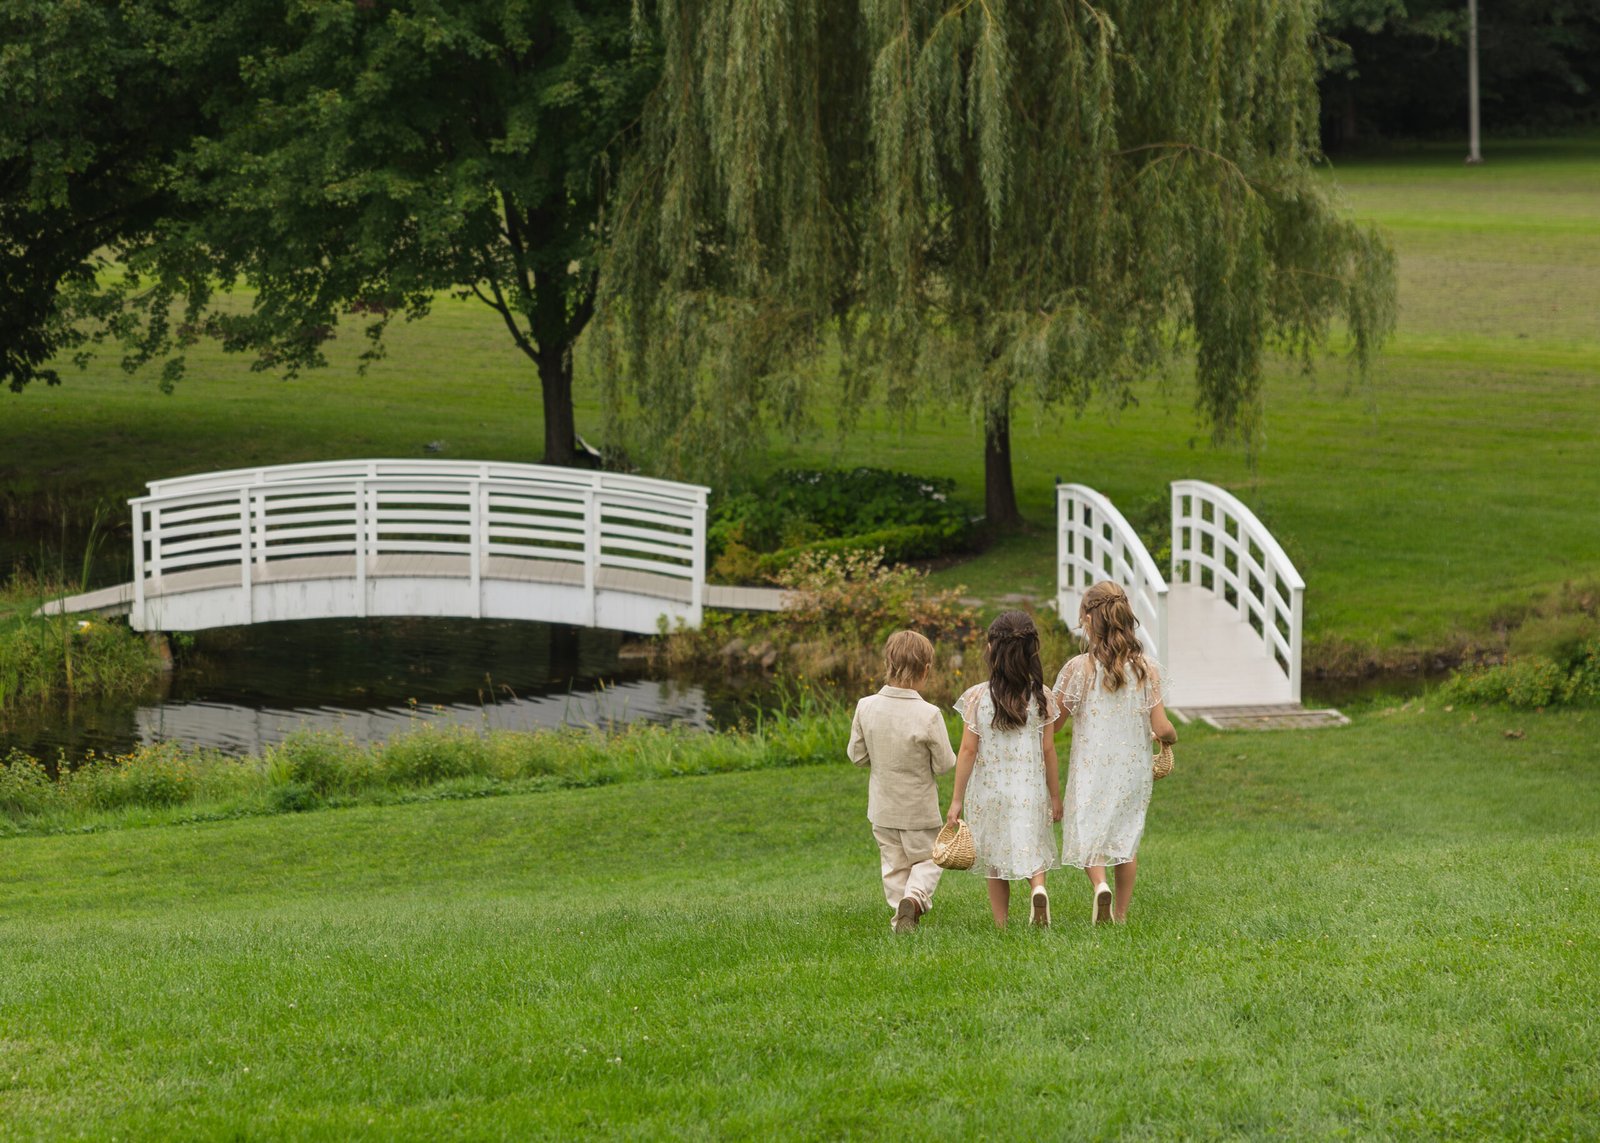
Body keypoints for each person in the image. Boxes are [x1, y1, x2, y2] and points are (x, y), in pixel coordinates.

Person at [1052, 580, 1178, 925]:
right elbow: (1163, 726)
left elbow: (1055, 722)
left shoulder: (1079, 669)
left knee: (1090, 832)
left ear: (1088, 620)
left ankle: (1099, 885)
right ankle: (1120, 915)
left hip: (1092, 768)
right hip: (1132, 769)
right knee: (1126, 837)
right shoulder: (1145, 669)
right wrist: (1170, 738)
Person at [947, 611, 1063, 928]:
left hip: (989, 791)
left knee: (995, 858)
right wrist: (1055, 797)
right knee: (1032, 845)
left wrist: (957, 799)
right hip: (1030, 789)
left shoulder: (978, 697)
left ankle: (1001, 923)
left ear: (991, 649)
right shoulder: (1042, 697)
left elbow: (968, 750)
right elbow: (1048, 750)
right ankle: (1038, 889)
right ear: (1032, 652)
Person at [848, 630, 959, 933]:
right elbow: (945, 764)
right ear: (926, 669)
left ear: (888, 662)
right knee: (930, 859)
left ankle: (901, 914)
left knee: (894, 866)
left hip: (883, 808)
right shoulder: (929, 714)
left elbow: (856, 755)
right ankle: (914, 897)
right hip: (919, 809)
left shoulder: (865, 706)